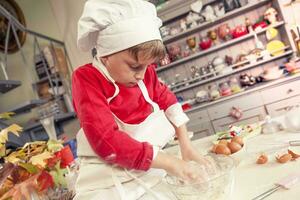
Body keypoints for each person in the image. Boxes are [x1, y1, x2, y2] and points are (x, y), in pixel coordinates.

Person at [72, 0, 215, 199]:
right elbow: (106, 141)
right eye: (134, 66)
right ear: (106, 55)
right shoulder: (87, 78)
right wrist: (172, 163)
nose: (142, 74)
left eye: (148, 66)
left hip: (147, 171)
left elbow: (167, 99)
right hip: (106, 183)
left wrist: (185, 144)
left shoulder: (144, 71)